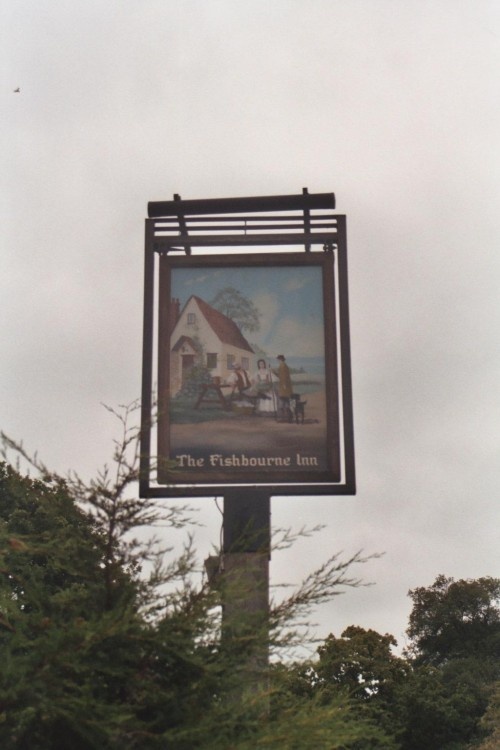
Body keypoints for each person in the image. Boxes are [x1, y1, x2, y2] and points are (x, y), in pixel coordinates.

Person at [273, 354, 293, 420]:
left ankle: (283, 417)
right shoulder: (283, 365)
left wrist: (284, 385)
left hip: (284, 386)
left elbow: (283, 377)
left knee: (283, 401)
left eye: (278, 359)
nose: (277, 361)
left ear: (280, 359)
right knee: (285, 400)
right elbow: (280, 376)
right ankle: (287, 416)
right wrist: (274, 372)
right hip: (284, 385)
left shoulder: (283, 366)